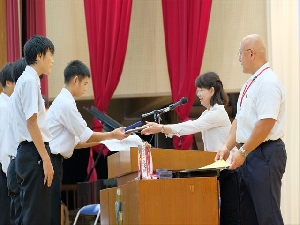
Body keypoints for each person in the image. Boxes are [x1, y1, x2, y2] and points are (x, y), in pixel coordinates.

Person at [215, 34, 287, 225]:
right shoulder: (250, 83)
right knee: (248, 217)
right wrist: (227, 146)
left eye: (240, 54)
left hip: (265, 154)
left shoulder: (268, 82)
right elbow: (239, 120)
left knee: (267, 217)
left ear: (251, 54)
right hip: (249, 155)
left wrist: (244, 151)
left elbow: (266, 123)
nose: (238, 59)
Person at [46, 60, 128, 225]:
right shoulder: (66, 104)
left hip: (54, 160)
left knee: (52, 210)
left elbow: (78, 143)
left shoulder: (63, 101)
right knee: (51, 213)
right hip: (51, 161)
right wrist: (111, 135)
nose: (85, 88)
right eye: (84, 83)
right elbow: (86, 136)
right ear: (75, 80)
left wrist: (109, 137)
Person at [141, 71, 236, 162]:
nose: (198, 94)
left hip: (227, 164)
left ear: (211, 91)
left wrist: (161, 128)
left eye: (201, 90)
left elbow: (192, 126)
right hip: (218, 163)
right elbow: (189, 127)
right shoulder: (207, 113)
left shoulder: (217, 112)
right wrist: (161, 129)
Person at [11, 35, 55, 225]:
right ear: (39, 55)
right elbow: (32, 123)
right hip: (33, 153)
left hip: (28, 153)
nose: (52, 60)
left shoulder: (27, 80)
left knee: (33, 213)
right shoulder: (29, 80)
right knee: (36, 216)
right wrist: (45, 158)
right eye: (50, 55)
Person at [6, 58, 27, 225]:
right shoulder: (15, 101)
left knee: (18, 213)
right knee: (20, 213)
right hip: (15, 159)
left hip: (14, 161)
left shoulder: (12, 100)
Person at [0, 62, 14, 225]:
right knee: (5, 217)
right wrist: (8, 172)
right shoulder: (4, 107)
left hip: (5, 170)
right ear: (9, 83)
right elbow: (3, 142)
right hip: (4, 171)